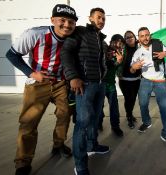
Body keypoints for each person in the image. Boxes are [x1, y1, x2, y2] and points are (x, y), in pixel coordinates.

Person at [5, 4, 77, 175]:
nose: (67, 25)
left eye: (71, 22)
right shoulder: (35, 34)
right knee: (29, 123)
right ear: (52, 20)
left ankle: (59, 144)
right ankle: (23, 162)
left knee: (65, 114)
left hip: (61, 83)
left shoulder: (73, 37)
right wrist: (32, 73)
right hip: (38, 85)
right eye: (62, 20)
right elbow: (11, 54)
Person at [60, 7, 109, 175]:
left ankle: (92, 145)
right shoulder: (80, 32)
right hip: (84, 86)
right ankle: (80, 165)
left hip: (100, 85)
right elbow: (65, 52)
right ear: (90, 18)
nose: (101, 20)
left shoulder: (101, 40)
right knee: (82, 124)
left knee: (95, 119)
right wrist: (72, 76)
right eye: (98, 17)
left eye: (103, 18)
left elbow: (100, 61)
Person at [130, 27, 166, 149]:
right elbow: (131, 69)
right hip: (145, 81)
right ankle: (147, 122)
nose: (145, 38)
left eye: (147, 35)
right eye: (142, 36)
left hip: (160, 81)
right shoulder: (137, 52)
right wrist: (134, 67)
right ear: (139, 38)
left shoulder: (158, 45)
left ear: (150, 35)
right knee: (143, 104)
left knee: (164, 109)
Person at [98, 34, 125, 136]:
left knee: (114, 107)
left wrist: (120, 62)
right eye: (116, 41)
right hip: (100, 84)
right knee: (98, 107)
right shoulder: (104, 49)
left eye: (121, 43)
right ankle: (98, 123)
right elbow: (107, 66)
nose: (118, 44)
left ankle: (115, 127)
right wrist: (118, 62)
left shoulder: (120, 53)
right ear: (111, 41)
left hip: (111, 85)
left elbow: (118, 71)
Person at [117, 31, 141, 129]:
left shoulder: (139, 48)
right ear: (125, 40)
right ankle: (129, 116)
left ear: (135, 37)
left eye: (131, 36)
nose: (129, 38)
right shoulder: (122, 49)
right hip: (124, 79)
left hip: (136, 79)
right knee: (128, 99)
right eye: (127, 38)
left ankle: (130, 114)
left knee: (133, 98)